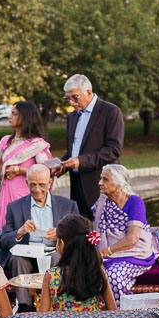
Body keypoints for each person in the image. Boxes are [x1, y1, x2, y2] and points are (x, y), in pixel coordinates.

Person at [0, 164, 79, 311]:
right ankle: (24, 306)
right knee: (17, 259)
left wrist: (61, 235)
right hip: (27, 254)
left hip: (54, 251)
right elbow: (2, 242)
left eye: (41, 185)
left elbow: (79, 237)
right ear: (26, 183)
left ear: (49, 183)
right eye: (32, 185)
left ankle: (57, 302)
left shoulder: (68, 205)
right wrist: (19, 232)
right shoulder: (14, 207)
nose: (37, 189)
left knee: (57, 257)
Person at [52, 74, 124, 220]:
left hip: (102, 185)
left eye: (75, 97)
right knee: (81, 233)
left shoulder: (110, 111)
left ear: (89, 92)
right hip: (77, 185)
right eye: (68, 98)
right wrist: (62, 165)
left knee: (104, 234)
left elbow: (113, 150)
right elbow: (73, 151)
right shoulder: (72, 117)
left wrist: (80, 161)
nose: (71, 102)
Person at [91, 164, 158, 303]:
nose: (99, 183)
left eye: (105, 180)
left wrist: (105, 251)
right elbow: (94, 227)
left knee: (114, 275)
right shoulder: (103, 201)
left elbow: (132, 239)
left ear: (119, 185)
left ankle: (122, 316)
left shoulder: (135, 202)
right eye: (100, 178)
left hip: (134, 253)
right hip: (109, 254)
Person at [0, 101, 52, 232]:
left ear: (25, 117)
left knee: (24, 231)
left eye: (14, 114)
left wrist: (20, 170)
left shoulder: (36, 144)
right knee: (2, 232)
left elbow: (46, 171)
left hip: (24, 196)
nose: (9, 116)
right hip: (4, 196)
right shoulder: (5, 141)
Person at [38, 214, 117, 312]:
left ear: (61, 243)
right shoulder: (97, 270)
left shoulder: (51, 275)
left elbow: (41, 316)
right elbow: (113, 311)